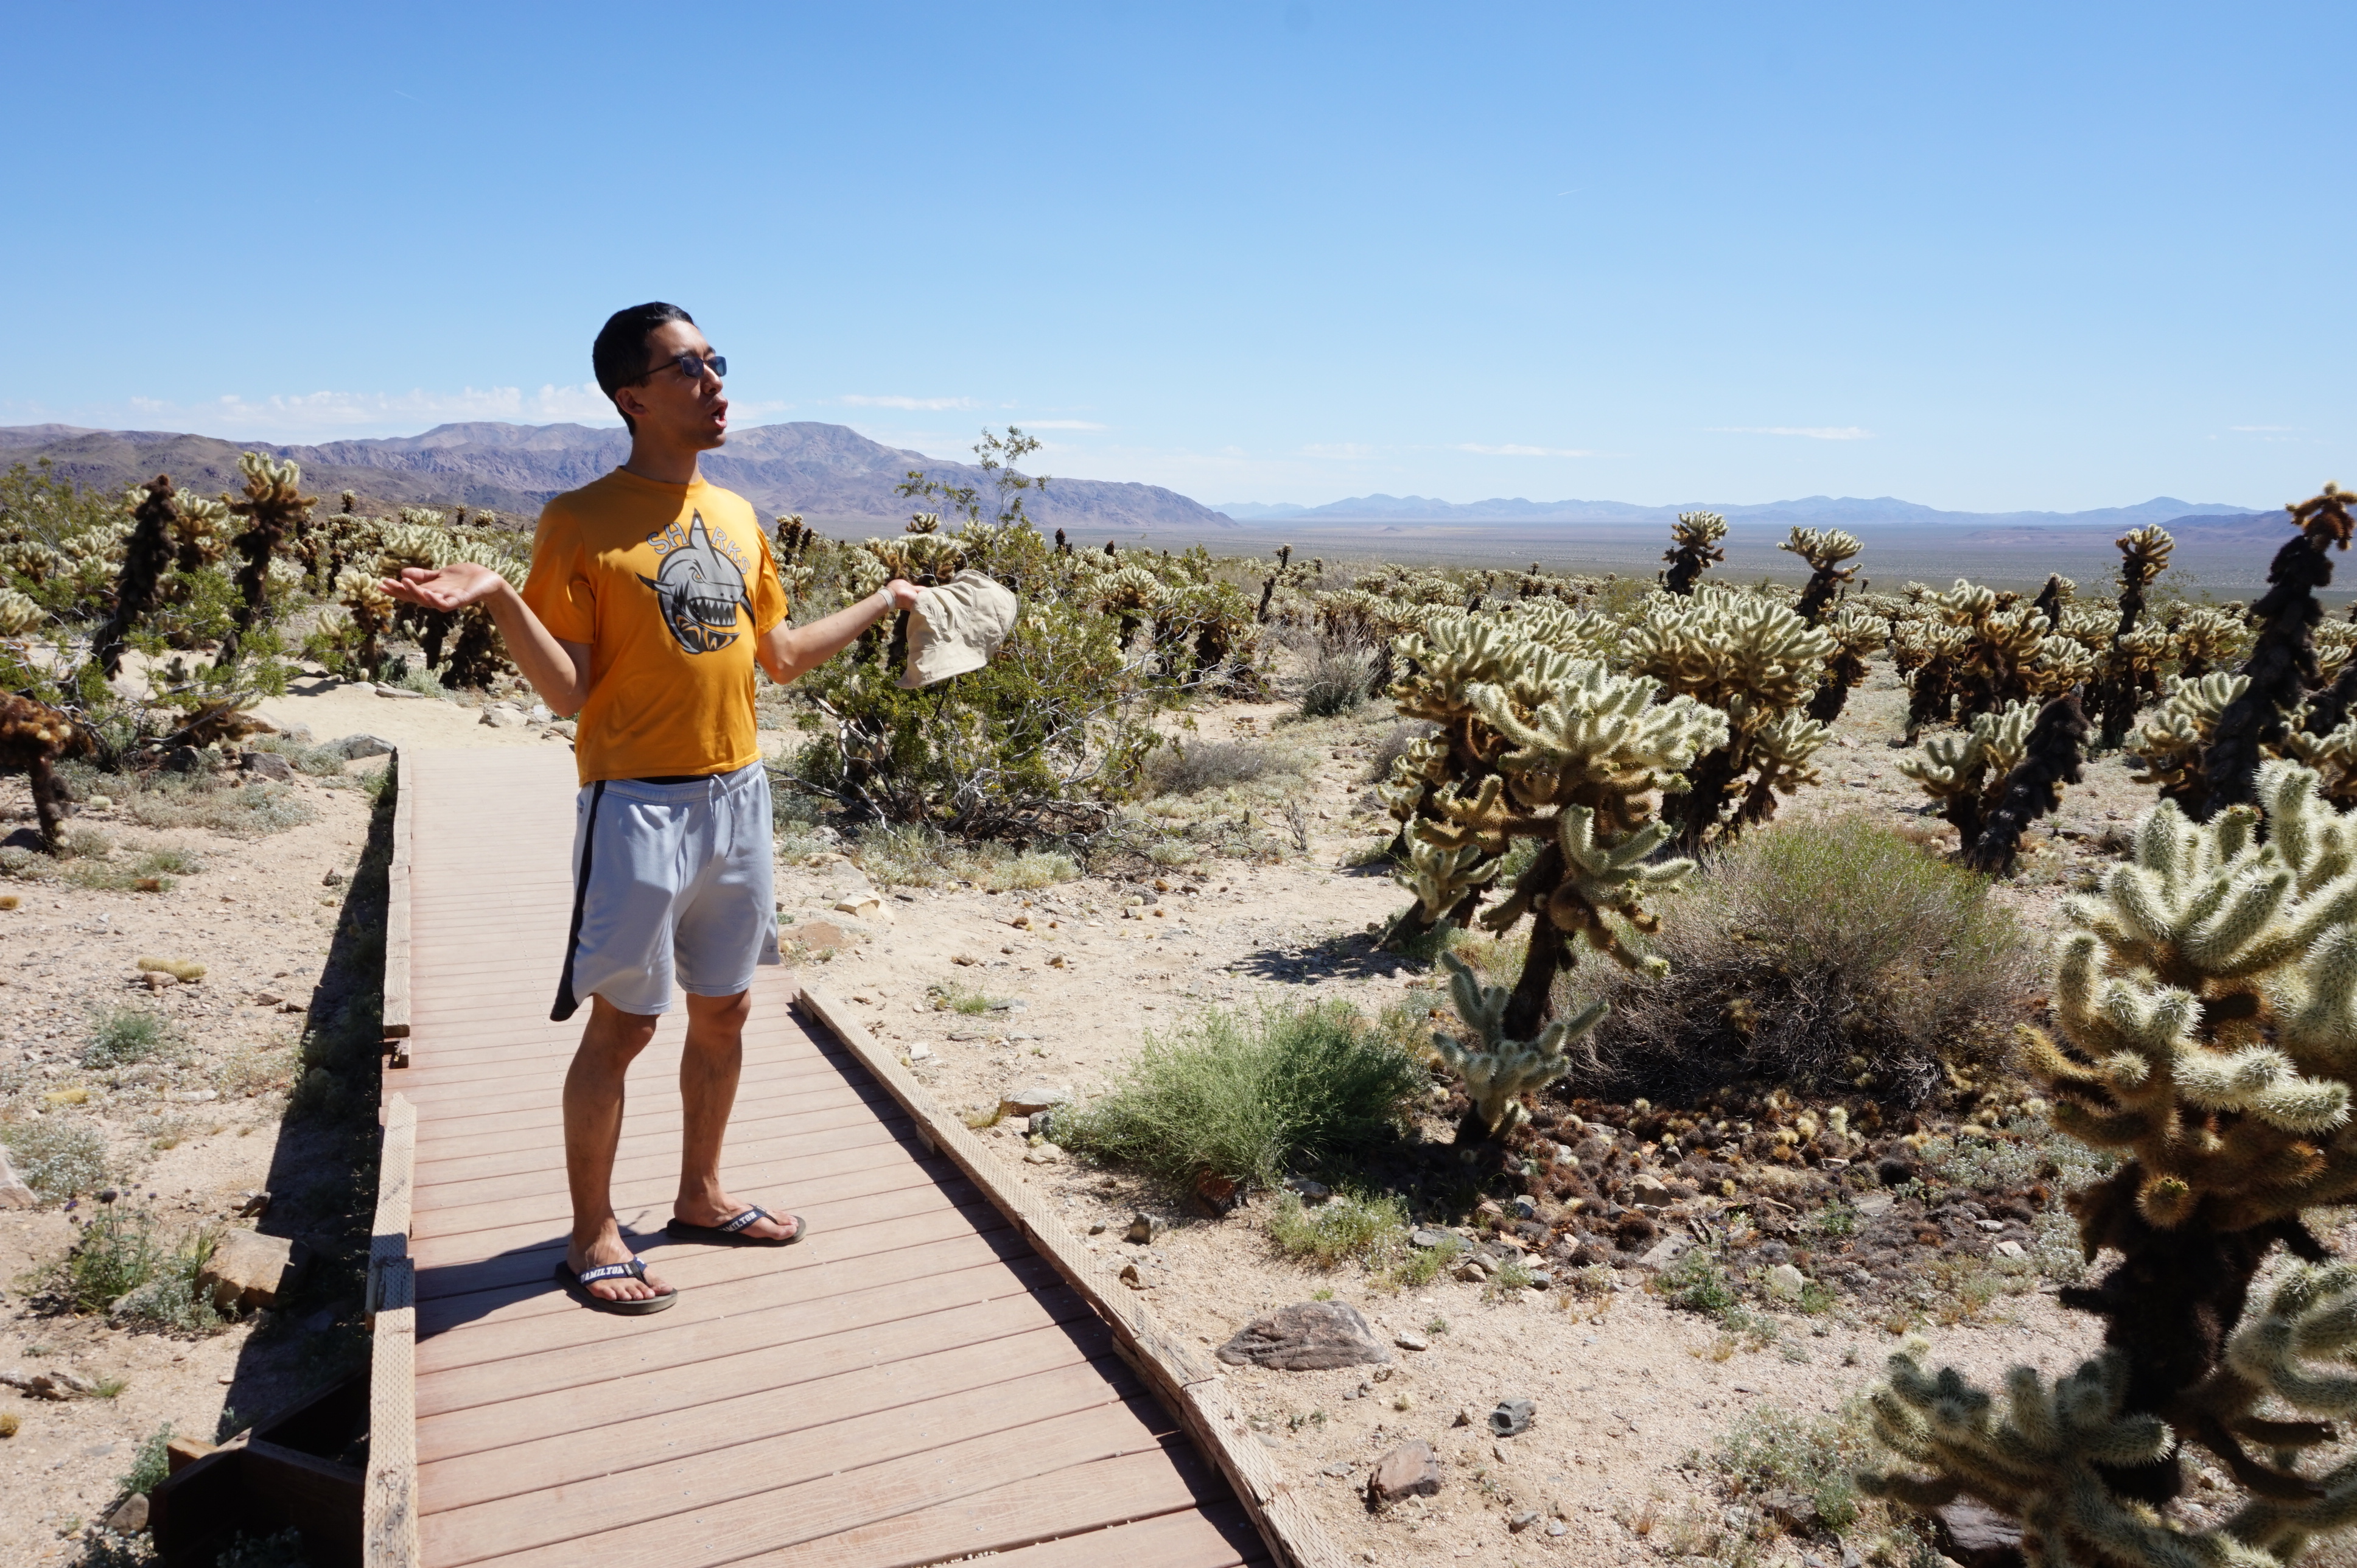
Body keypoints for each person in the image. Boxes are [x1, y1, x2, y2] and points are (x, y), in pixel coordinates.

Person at [382, 303, 918, 1312]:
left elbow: (782, 656)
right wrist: (502, 595)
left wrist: (888, 603)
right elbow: (568, 692)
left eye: (717, 362)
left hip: (741, 796)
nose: (715, 382)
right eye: (688, 368)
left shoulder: (738, 516)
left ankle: (702, 1196)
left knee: (727, 1011)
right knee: (625, 1028)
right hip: (637, 806)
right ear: (633, 396)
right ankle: (593, 1236)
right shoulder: (580, 520)